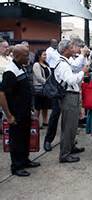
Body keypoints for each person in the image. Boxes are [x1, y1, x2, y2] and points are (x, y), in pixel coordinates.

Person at [1, 44, 40, 176]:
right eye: (25, 55)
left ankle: (24, 160)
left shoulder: (20, 68)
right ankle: (16, 166)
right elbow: (1, 94)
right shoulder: (10, 71)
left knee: (24, 137)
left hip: (24, 112)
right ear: (17, 56)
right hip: (16, 114)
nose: (28, 57)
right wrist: (9, 115)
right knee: (16, 140)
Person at [55, 39, 89, 163]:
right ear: (65, 50)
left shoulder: (65, 61)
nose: (72, 49)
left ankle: (70, 147)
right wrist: (82, 73)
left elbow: (75, 66)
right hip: (68, 96)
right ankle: (65, 154)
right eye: (70, 47)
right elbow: (70, 80)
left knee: (73, 125)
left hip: (71, 95)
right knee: (68, 126)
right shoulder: (63, 64)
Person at [32, 49, 52, 129]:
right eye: (44, 55)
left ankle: (45, 121)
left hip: (46, 88)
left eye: (46, 55)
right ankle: (36, 122)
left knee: (45, 106)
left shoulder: (46, 64)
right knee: (38, 106)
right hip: (39, 88)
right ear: (39, 56)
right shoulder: (36, 65)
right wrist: (47, 83)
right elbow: (39, 77)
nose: (45, 56)